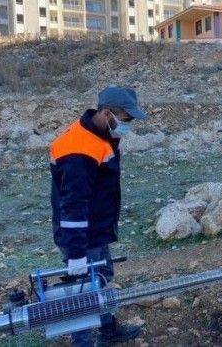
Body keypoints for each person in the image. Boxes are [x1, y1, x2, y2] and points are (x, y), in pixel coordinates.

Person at [49, 86, 146, 346]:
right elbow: (73, 207)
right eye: (126, 119)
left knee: (101, 281)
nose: (128, 125)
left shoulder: (97, 134)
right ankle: (83, 342)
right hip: (82, 235)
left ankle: (107, 329)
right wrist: (77, 255)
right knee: (84, 291)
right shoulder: (79, 151)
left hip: (95, 229)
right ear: (106, 113)